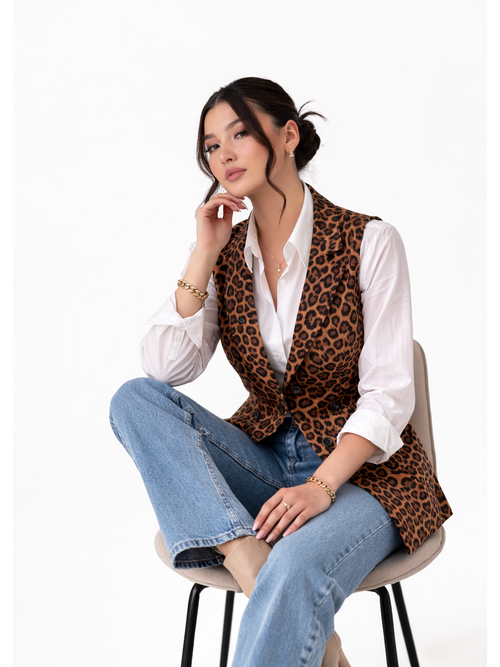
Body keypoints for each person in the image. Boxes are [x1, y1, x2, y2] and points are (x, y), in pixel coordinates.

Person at [109, 77, 452, 667]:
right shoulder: (225, 256)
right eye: (211, 146)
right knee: (134, 399)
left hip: (370, 480)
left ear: (288, 136)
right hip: (267, 468)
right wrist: (204, 251)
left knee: (294, 565)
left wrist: (322, 486)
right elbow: (165, 367)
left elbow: (389, 396)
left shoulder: (369, 241)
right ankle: (249, 561)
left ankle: (277, 586)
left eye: (239, 133)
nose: (224, 154)